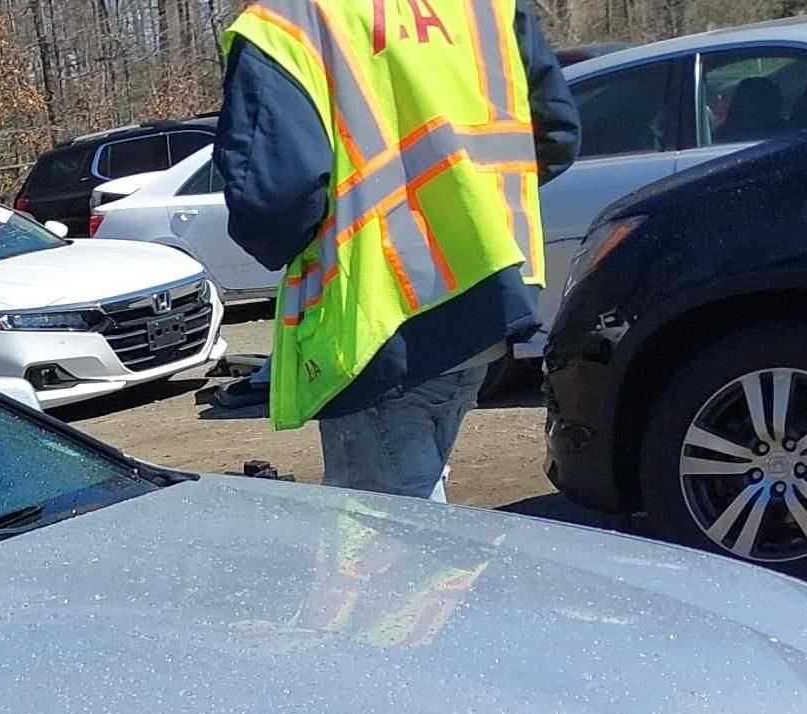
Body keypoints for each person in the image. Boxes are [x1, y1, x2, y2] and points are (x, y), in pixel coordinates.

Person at [214, 0, 581, 498]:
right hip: (484, 294)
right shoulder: (486, 7)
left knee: (392, 552)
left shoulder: (290, 20)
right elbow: (556, 133)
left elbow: (272, 202)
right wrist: (465, 212)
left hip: (381, 318)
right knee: (414, 514)